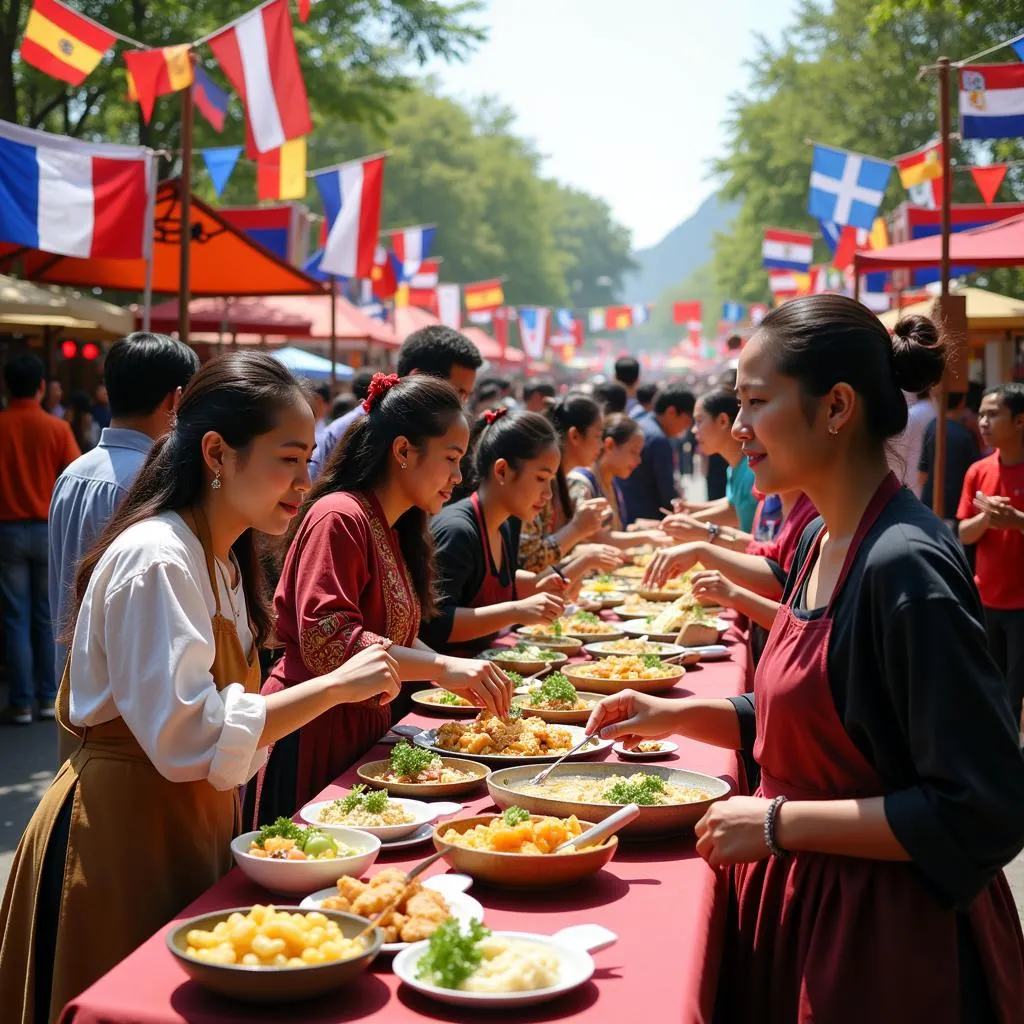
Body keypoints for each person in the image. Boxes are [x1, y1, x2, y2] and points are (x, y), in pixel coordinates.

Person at [587, 295, 1024, 1021]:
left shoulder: (905, 566)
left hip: (881, 950)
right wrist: (673, 712)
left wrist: (776, 823)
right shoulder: (826, 539)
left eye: (756, 402)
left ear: (837, 407)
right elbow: (832, 714)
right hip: (808, 909)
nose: (737, 429)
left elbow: (982, 808)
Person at [0, 352, 403, 1024]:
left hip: (186, 823)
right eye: (287, 458)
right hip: (122, 837)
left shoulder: (218, 554)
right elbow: (191, 734)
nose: (302, 481)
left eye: (306, 460)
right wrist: (333, 686)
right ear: (218, 452)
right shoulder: (157, 557)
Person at [248, 374, 512, 826]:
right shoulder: (340, 515)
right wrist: (441, 667)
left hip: (358, 728)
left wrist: (449, 673)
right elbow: (330, 641)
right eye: (451, 459)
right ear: (404, 451)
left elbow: (397, 637)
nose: (458, 477)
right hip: (311, 728)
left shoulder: (393, 525)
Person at [49, 332, 199, 677]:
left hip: (72, 682)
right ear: (177, 400)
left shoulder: (72, 474)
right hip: (122, 689)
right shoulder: (152, 480)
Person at [422, 409, 570, 655]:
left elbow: (491, 583)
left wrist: (536, 585)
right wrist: (516, 610)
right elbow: (434, 623)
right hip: (439, 688)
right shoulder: (457, 531)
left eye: (551, 481)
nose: (548, 494)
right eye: (541, 478)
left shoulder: (506, 524)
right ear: (501, 471)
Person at [0, 354, 79, 725]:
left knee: (15, 617)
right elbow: (74, 472)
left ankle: (21, 701)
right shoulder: (57, 428)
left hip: (8, 529)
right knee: (48, 613)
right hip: (46, 526)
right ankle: (49, 696)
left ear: (6, 385)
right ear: (41, 387)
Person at [310, 328, 482, 478]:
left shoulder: (433, 442)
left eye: (467, 396)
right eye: (458, 393)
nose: (462, 406)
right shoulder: (350, 434)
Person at [958, 383, 1024, 723]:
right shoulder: (978, 471)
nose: (983, 421)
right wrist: (987, 518)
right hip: (986, 600)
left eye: (993, 414)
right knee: (991, 687)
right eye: (981, 413)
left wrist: (1016, 521)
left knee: (1014, 693)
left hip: (1021, 606)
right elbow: (964, 533)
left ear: (1019, 421)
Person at [518, 393, 619, 573]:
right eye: (597, 436)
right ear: (574, 436)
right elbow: (530, 561)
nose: (601, 445)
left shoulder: (561, 480)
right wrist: (577, 529)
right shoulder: (541, 485)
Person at [568, 414, 670, 549]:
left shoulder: (611, 483)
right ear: (609, 445)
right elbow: (599, 538)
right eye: (634, 452)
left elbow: (613, 533)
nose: (638, 460)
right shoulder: (582, 483)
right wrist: (646, 536)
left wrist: (638, 528)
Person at [663, 389, 758, 533]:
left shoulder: (753, 471)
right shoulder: (735, 467)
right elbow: (733, 504)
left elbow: (736, 512)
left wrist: (693, 522)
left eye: (699, 421)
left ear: (723, 421)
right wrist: (692, 511)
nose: (694, 430)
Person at [618, 383, 695, 524]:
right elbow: (667, 493)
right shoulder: (658, 440)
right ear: (671, 412)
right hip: (646, 518)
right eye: (687, 421)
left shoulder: (641, 423)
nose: (688, 428)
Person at [919, 391, 981, 524]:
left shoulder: (932, 425)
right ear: (962, 402)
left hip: (929, 503)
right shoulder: (965, 435)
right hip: (955, 507)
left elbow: (922, 472)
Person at [889, 389, 934, 495]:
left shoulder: (912, 414)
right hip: (928, 483)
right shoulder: (935, 411)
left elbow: (898, 454)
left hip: (910, 482)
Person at [309, 382, 332, 448]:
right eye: (314, 399)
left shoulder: (329, 430)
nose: (316, 404)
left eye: (320, 401)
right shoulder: (302, 423)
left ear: (327, 406)